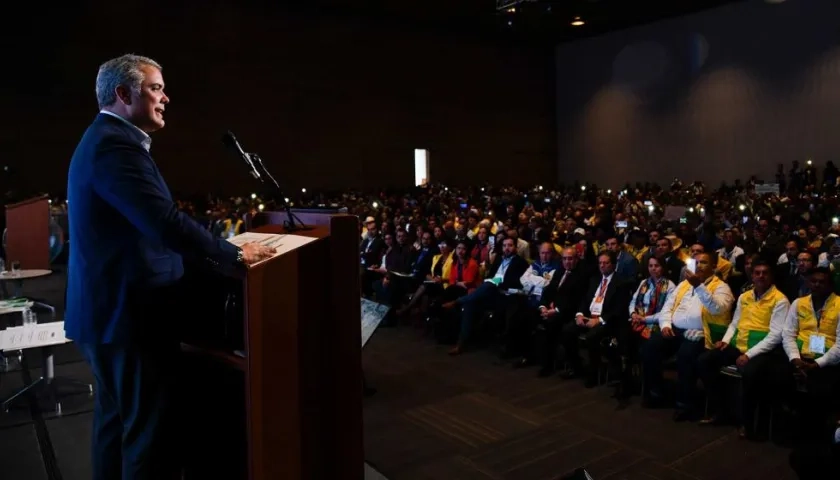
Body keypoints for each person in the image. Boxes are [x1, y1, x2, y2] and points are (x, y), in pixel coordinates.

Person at [65, 54, 275, 480]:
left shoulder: (105, 140)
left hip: (110, 315)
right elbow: (163, 223)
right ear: (123, 94)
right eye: (155, 88)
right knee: (147, 436)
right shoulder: (113, 146)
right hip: (130, 318)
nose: (166, 97)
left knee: (116, 426)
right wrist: (233, 255)